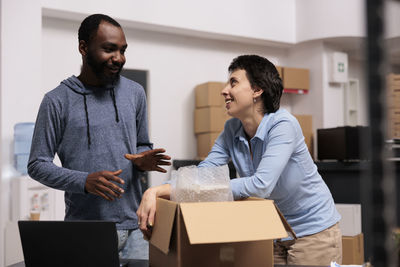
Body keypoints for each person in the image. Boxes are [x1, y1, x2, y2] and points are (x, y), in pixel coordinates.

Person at [137, 55, 342, 265]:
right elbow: (204, 173)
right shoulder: (231, 129)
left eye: (233, 82)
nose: (224, 90)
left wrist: (192, 190)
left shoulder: (283, 125)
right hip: (274, 230)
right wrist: (156, 191)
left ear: (257, 90)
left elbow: (261, 185)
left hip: (313, 232)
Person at [28, 14, 171, 260]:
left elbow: (141, 144)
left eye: (123, 50)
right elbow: (37, 165)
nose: (119, 58)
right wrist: (84, 181)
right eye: (109, 49)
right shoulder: (56, 101)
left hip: (137, 225)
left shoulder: (135, 93)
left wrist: (141, 159)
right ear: (83, 48)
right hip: (86, 230)